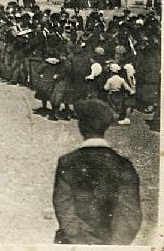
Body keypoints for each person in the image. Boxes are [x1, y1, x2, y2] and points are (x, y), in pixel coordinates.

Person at [53, 99, 142, 245]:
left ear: (80, 127)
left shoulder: (67, 163)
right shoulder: (124, 165)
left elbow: (64, 210)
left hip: (74, 244)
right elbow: (130, 215)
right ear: (105, 128)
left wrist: (83, 243)